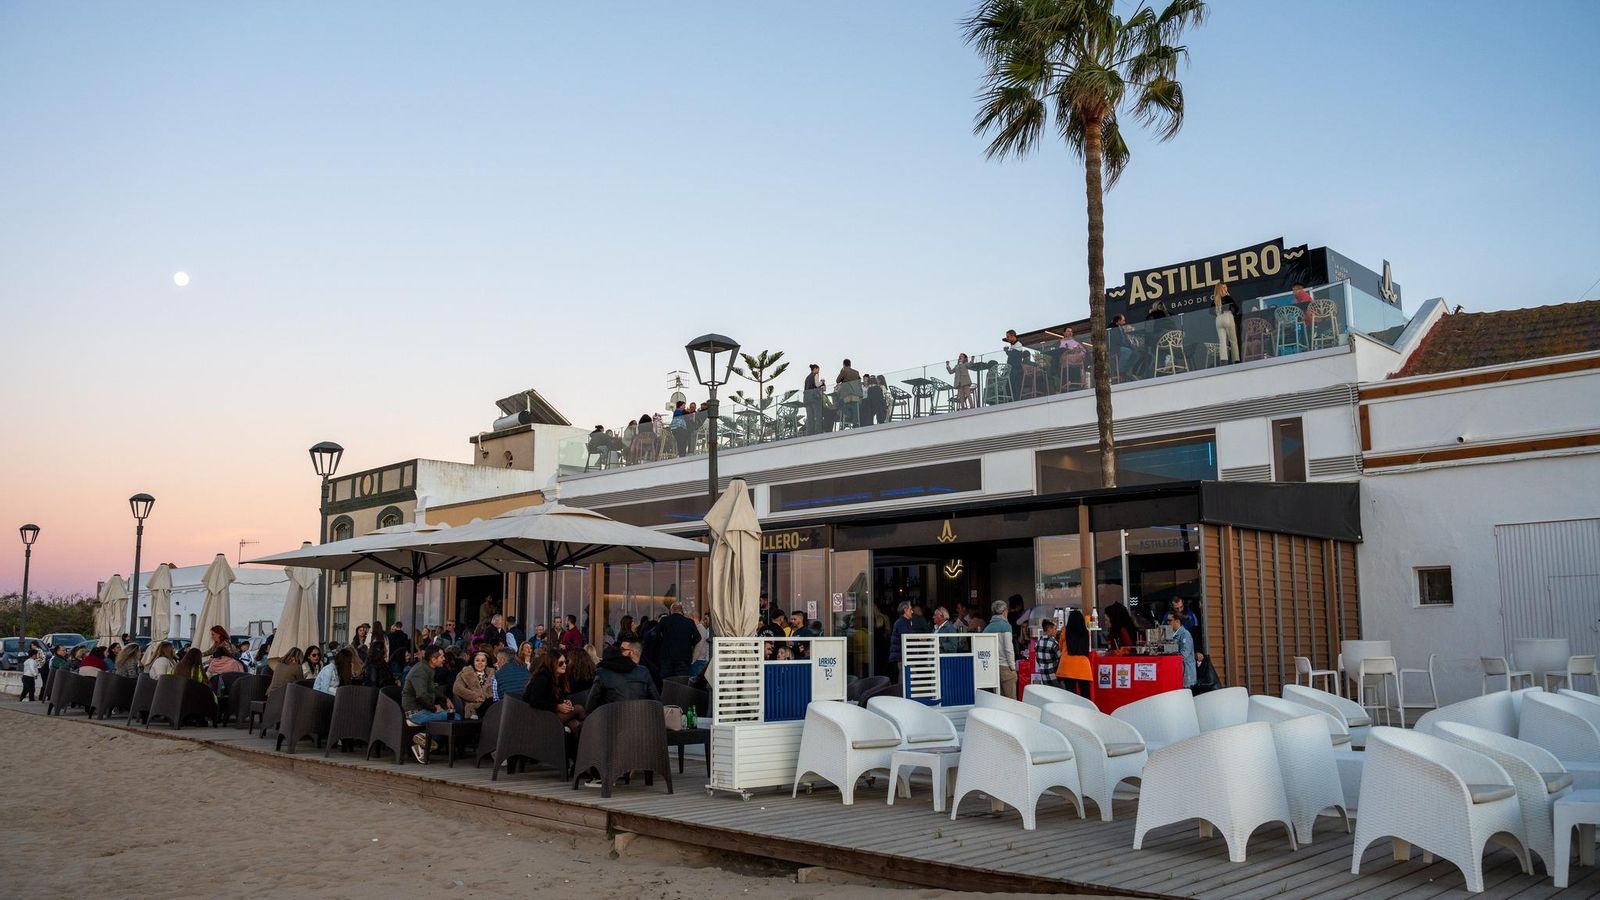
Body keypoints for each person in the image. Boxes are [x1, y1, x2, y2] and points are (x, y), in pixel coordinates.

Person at [402, 646, 454, 762]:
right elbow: (421, 695)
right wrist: (434, 708)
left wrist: (445, 698)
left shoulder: (428, 669)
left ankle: (422, 745)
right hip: (415, 713)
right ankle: (423, 740)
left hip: (421, 710)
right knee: (453, 717)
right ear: (433, 659)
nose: (444, 659)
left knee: (450, 719)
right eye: (441, 656)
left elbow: (431, 689)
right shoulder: (421, 671)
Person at [586, 638, 658, 716]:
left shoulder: (602, 673)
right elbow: (656, 701)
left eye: (622, 649)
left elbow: (590, 707)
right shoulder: (644, 671)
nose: (620, 651)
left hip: (610, 721)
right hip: (640, 721)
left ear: (631, 652)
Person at [524, 649, 586, 737]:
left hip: (550, 713)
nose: (564, 665)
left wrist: (564, 702)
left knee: (575, 724)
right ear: (552, 663)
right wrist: (557, 707)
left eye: (566, 662)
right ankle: (590, 733)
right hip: (539, 715)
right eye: (561, 663)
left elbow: (555, 698)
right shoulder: (542, 678)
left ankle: (579, 747)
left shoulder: (559, 678)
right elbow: (535, 701)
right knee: (579, 709)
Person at [648, 602, 701, 680]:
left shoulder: (664, 620)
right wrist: (689, 644)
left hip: (667, 656)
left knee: (666, 682)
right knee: (682, 681)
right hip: (684, 657)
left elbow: (653, 634)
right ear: (681, 611)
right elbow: (698, 637)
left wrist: (661, 642)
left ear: (671, 610)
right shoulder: (689, 622)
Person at [984, 600, 1018, 699]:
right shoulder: (1006, 626)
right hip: (1006, 666)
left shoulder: (987, 628)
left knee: (999, 700)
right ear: (1004, 611)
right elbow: (1009, 649)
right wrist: (1013, 667)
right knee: (1011, 700)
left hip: (993, 668)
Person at [1058, 610, 1094, 697]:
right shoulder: (1086, 632)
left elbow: (1060, 647)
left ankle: (1072, 710)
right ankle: (1086, 710)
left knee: (1071, 695)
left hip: (1067, 666)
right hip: (1083, 667)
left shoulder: (1064, 631)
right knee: (1085, 695)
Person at [452, 650, 495, 719]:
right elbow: (457, 688)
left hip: (490, 704)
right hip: (473, 705)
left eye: (483, 661)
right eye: (477, 660)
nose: (480, 663)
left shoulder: (493, 674)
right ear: (473, 662)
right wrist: (475, 696)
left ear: (486, 663)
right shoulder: (464, 673)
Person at [1168, 610, 1196, 691]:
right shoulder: (1173, 634)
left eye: (1170, 620)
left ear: (1177, 621)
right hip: (1178, 672)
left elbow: (1184, 654)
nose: (1168, 623)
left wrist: (1172, 660)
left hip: (1186, 674)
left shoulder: (1185, 634)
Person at [1213, 283, 1240, 364]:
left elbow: (1211, 311)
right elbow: (1236, 308)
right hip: (1227, 316)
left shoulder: (1215, 299)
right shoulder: (1227, 297)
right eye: (1224, 287)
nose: (1226, 288)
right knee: (1233, 340)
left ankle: (1223, 360)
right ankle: (1236, 359)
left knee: (1222, 341)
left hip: (1218, 319)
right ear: (1222, 289)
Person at [1032, 619, 1062, 689]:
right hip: (1054, 677)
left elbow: (1038, 660)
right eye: (1054, 629)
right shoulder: (1053, 643)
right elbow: (1060, 658)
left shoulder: (1038, 643)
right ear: (1049, 629)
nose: (1056, 631)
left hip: (1044, 676)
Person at [1002, 329, 1027, 401]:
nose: (1007, 338)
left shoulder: (1018, 344)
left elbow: (1013, 355)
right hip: (1012, 369)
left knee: (1014, 385)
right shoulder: (1013, 346)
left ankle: (1015, 400)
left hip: (1015, 369)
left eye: (1008, 336)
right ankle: (1011, 400)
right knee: (1009, 385)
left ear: (1013, 336)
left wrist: (1007, 351)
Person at [836, 359, 862, 428]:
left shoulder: (844, 371)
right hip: (855, 394)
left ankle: (848, 418)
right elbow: (859, 382)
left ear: (844, 364)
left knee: (839, 405)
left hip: (846, 394)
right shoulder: (856, 372)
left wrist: (841, 371)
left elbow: (838, 380)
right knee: (855, 408)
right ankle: (855, 423)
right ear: (850, 364)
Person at [803, 364, 827, 435]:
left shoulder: (807, 378)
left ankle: (809, 432)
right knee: (818, 416)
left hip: (807, 399)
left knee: (810, 417)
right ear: (815, 369)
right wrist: (822, 382)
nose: (818, 371)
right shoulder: (815, 375)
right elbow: (817, 384)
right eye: (818, 369)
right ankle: (818, 432)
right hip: (814, 398)